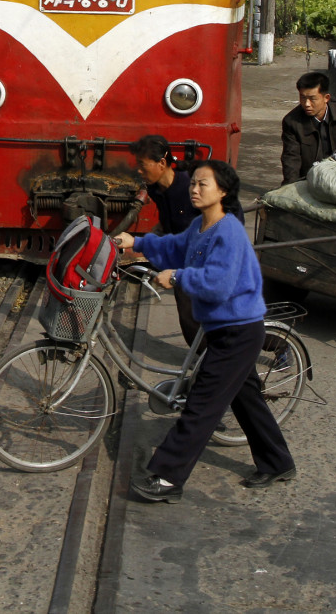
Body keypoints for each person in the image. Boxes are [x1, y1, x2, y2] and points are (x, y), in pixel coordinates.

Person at [115, 160, 296, 502]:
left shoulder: (228, 232)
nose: (194, 190)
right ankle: (278, 462)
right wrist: (135, 242)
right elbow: (173, 247)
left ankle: (168, 478)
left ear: (223, 192)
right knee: (247, 401)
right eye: (194, 184)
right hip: (222, 328)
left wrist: (178, 277)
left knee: (201, 407)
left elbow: (218, 284)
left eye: (203, 185)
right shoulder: (202, 225)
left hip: (238, 332)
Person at [130, 135, 245, 346]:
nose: (139, 170)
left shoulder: (190, 187)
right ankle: (202, 360)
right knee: (188, 312)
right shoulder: (156, 189)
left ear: (162, 163)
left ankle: (278, 344)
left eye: (142, 165)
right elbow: (169, 222)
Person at [279, 71, 336, 184]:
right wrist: (290, 186)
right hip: (311, 178)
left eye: (312, 99)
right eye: (302, 97)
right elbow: (291, 158)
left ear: (326, 98)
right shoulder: (292, 122)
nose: (306, 104)